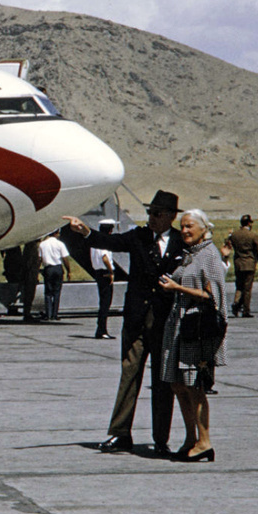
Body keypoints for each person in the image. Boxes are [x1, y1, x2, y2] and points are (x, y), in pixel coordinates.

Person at [64, 190, 185, 456]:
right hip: (136, 319)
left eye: (157, 214)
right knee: (129, 374)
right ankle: (120, 434)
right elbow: (108, 242)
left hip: (164, 321)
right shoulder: (139, 237)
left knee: (163, 381)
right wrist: (84, 231)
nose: (151, 218)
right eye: (149, 213)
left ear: (171, 217)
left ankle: (161, 438)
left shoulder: (181, 242)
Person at [157, 209, 229, 463]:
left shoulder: (209, 255)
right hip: (179, 326)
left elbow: (215, 297)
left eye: (189, 226)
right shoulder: (190, 255)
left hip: (197, 330)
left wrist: (178, 288)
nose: (185, 231)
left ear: (203, 228)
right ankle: (191, 439)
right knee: (179, 385)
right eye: (182, 226)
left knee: (195, 387)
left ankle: (205, 442)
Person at [225, 215, 258, 318]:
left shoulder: (234, 235)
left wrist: (230, 235)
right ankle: (246, 310)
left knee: (239, 286)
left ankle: (236, 303)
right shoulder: (253, 235)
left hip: (238, 263)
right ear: (249, 223)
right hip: (250, 264)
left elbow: (227, 242)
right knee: (247, 289)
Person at [37, 230, 71, 322]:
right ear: (56, 233)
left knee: (48, 292)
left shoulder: (42, 244)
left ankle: (48, 314)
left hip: (48, 269)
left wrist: (37, 270)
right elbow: (65, 258)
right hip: (58, 268)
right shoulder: (60, 244)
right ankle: (55, 314)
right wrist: (69, 271)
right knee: (56, 292)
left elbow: (39, 258)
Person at [91, 219, 117, 339]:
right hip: (105, 272)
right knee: (106, 303)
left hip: (98, 272)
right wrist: (111, 271)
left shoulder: (95, 241)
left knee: (103, 302)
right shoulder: (103, 241)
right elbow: (105, 257)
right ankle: (102, 330)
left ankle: (101, 329)